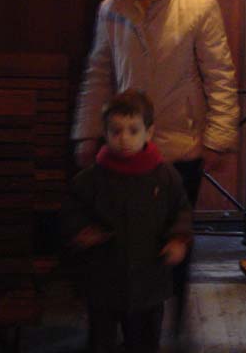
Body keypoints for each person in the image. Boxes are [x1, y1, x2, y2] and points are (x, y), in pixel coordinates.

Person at [71, 0, 240, 333]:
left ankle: (175, 318)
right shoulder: (112, 9)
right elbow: (99, 73)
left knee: (174, 236)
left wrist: (218, 138)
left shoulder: (198, 6)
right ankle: (132, 319)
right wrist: (88, 132)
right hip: (126, 144)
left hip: (180, 144)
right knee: (125, 237)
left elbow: (219, 76)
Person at [62, 90, 192, 353]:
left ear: (149, 132)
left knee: (145, 340)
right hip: (104, 277)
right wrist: (81, 231)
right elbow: (72, 210)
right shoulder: (91, 179)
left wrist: (178, 238)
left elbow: (180, 210)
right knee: (101, 340)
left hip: (149, 278)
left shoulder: (164, 177)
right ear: (105, 133)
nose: (124, 139)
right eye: (116, 131)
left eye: (133, 131)